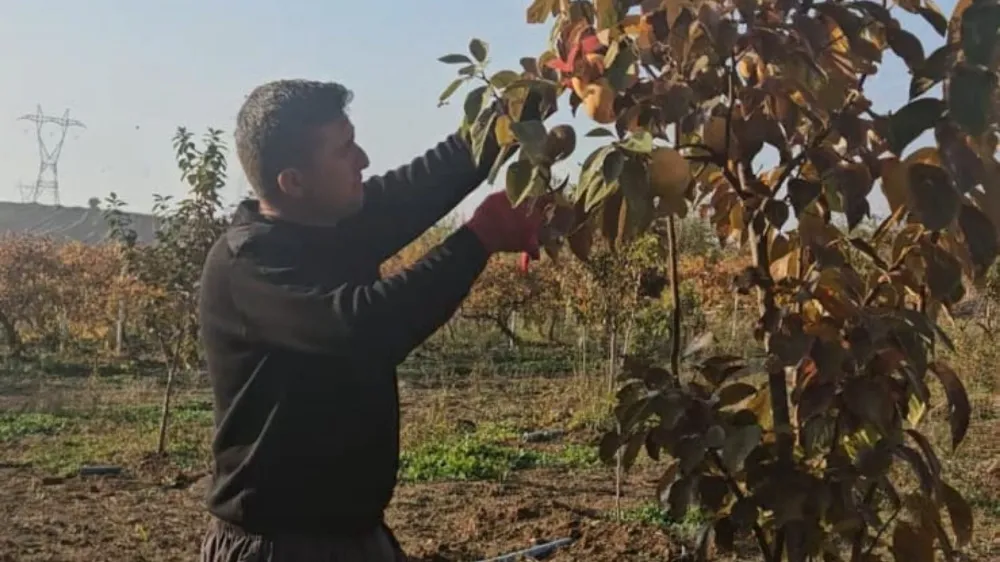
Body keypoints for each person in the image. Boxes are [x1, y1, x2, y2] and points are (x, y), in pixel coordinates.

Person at [196, 79, 544, 561]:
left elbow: (431, 178)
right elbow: (364, 329)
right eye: (344, 151)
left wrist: (539, 90)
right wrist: (479, 238)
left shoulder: (332, 223)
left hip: (356, 535)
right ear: (293, 182)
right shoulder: (248, 265)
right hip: (278, 545)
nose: (363, 159)